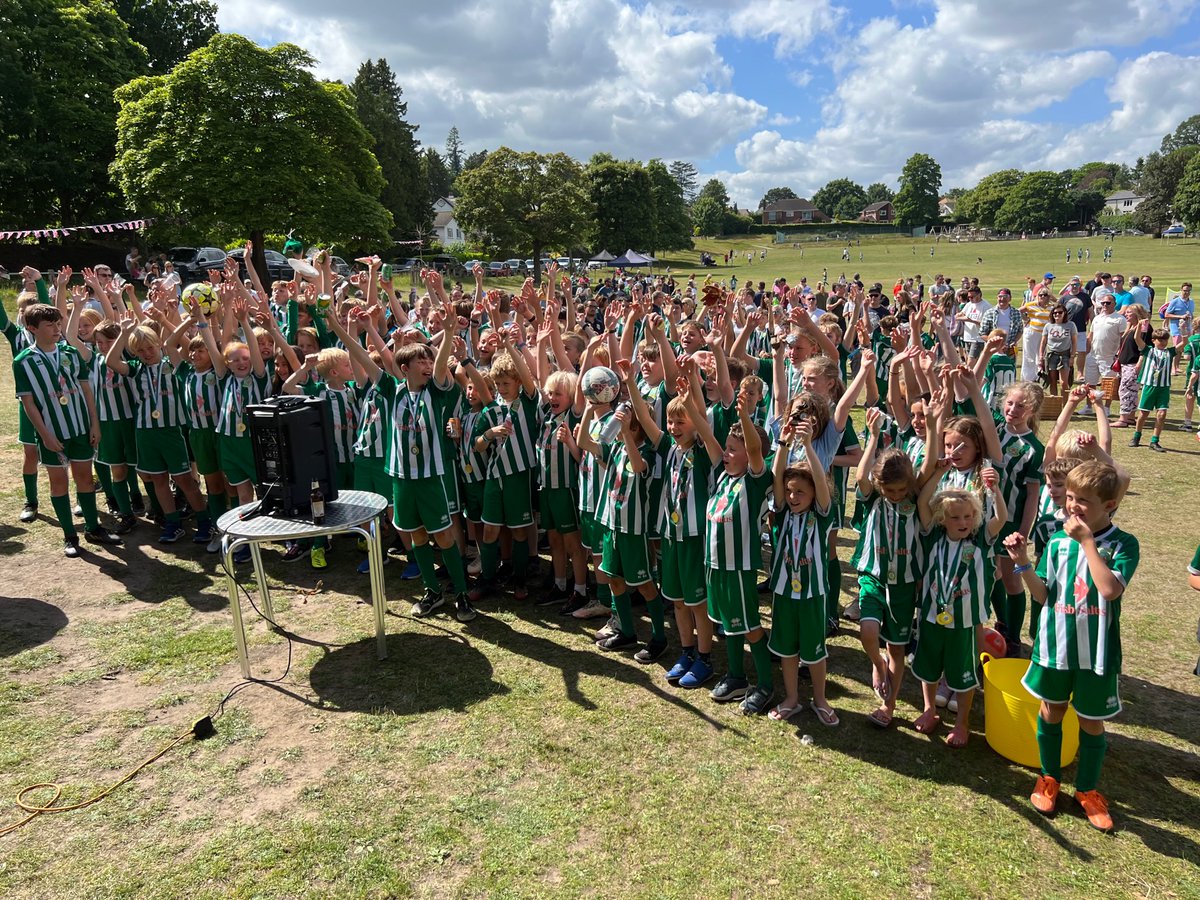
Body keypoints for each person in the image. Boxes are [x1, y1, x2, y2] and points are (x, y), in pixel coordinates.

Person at [1005, 461, 1138, 832]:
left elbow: (1110, 590)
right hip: (1055, 646)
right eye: (1071, 498)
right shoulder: (1058, 542)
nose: (1074, 507)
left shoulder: (1123, 544)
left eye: (1085, 502)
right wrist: (1023, 565)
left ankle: (1088, 790)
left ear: (1109, 505)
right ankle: (1048, 778)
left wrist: (1087, 542)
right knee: (1051, 710)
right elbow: (1043, 593)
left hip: (1096, 653)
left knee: (1091, 722)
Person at [12, 303, 122, 555]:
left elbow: (86, 389)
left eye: (57, 324)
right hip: (53, 433)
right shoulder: (24, 361)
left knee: (84, 478)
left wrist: (94, 423)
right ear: (32, 328)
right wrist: (45, 435)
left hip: (80, 428)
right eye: (49, 325)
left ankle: (94, 528)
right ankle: (70, 535)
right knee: (58, 483)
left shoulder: (71, 353)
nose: (56, 329)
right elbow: (28, 403)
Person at [704, 393, 775, 715]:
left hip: (739, 566)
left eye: (734, 449)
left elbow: (756, 449)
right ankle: (735, 676)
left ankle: (765, 684)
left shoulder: (756, 480)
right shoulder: (724, 475)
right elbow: (707, 436)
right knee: (727, 622)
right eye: (727, 447)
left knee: (748, 624)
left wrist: (745, 416)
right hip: (715, 564)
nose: (726, 453)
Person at [765, 418, 838, 725]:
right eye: (791, 491)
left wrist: (808, 447)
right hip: (783, 591)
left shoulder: (820, 516)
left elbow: (822, 486)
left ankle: (820, 700)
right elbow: (776, 478)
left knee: (815, 651)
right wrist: (782, 445)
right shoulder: (781, 514)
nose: (794, 497)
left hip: (812, 593)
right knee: (786, 648)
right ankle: (793, 698)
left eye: (801, 493)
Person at [853, 407, 921, 728]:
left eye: (900, 491)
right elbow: (861, 477)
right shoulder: (874, 500)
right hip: (873, 577)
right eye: (890, 490)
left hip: (905, 584)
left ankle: (888, 704)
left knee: (897, 646)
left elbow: (927, 473)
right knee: (868, 632)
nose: (895, 496)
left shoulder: (915, 503)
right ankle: (877, 665)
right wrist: (873, 437)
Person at [1130, 327, 1175, 452]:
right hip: (1149, 386)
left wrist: (1183, 331)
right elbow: (1136, 338)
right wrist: (1139, 326)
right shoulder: (1148, 350)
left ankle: (1155, 441)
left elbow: (1183, 343)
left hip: (1164, 387)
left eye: (1165, 340)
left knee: (1162, 414)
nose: (1163, 342)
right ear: (1153, 340)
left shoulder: (1169, 352)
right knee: (1143, 414)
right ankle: (1136, 436)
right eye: (1160, 340)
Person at [1039, 304, 1076, 397]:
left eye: (1060, 312)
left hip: (1065, 356)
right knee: (1052, 381)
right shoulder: (1048, 326)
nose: (1057, 314)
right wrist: (1040, 357)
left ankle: (1065, 406)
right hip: (1051, 355)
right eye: (1055, 313)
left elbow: (1074, 342)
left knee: (1064, 383)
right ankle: (1055, 405)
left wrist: (1072, 356)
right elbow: (1043, 342)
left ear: (1064, 313)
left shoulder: (1071, 325)